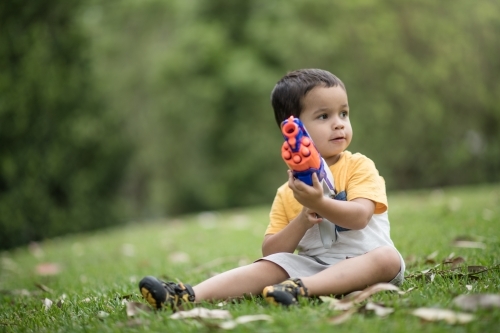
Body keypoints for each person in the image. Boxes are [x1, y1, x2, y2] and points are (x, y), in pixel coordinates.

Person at [138, 68, 405, 310]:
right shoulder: (288, 192)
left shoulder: (359, 165)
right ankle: (187, 295)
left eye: (343, 113)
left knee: (388, 259)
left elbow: (360, 217)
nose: (338, 123)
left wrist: (321, 203)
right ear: (292, 130)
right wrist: (302, 220)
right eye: (324, 116)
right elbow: (272, 252)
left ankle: (301, 289)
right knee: (268, 267)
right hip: (315, 267)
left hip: (366, 260)